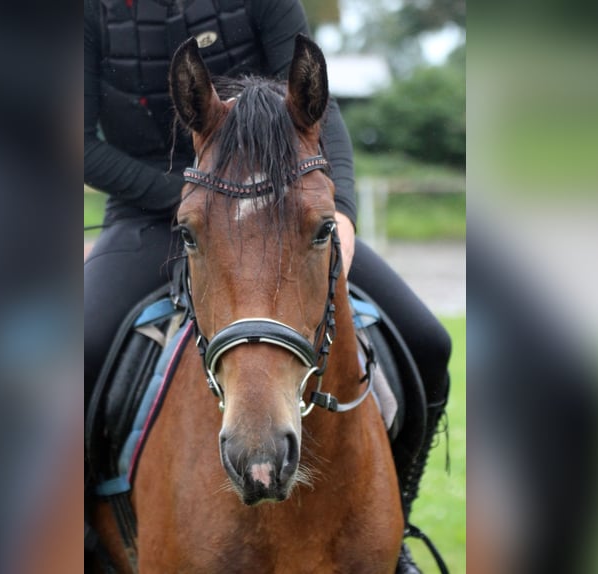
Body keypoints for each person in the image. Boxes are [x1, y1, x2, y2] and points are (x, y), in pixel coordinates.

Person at [84, 0, 451, 571]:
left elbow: (317, 109)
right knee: (74, 355)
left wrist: (344, 211)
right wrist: (198, 193)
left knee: (428, 342)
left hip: (280, 201)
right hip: (150, 214)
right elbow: (79, 142)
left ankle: (392, 525)